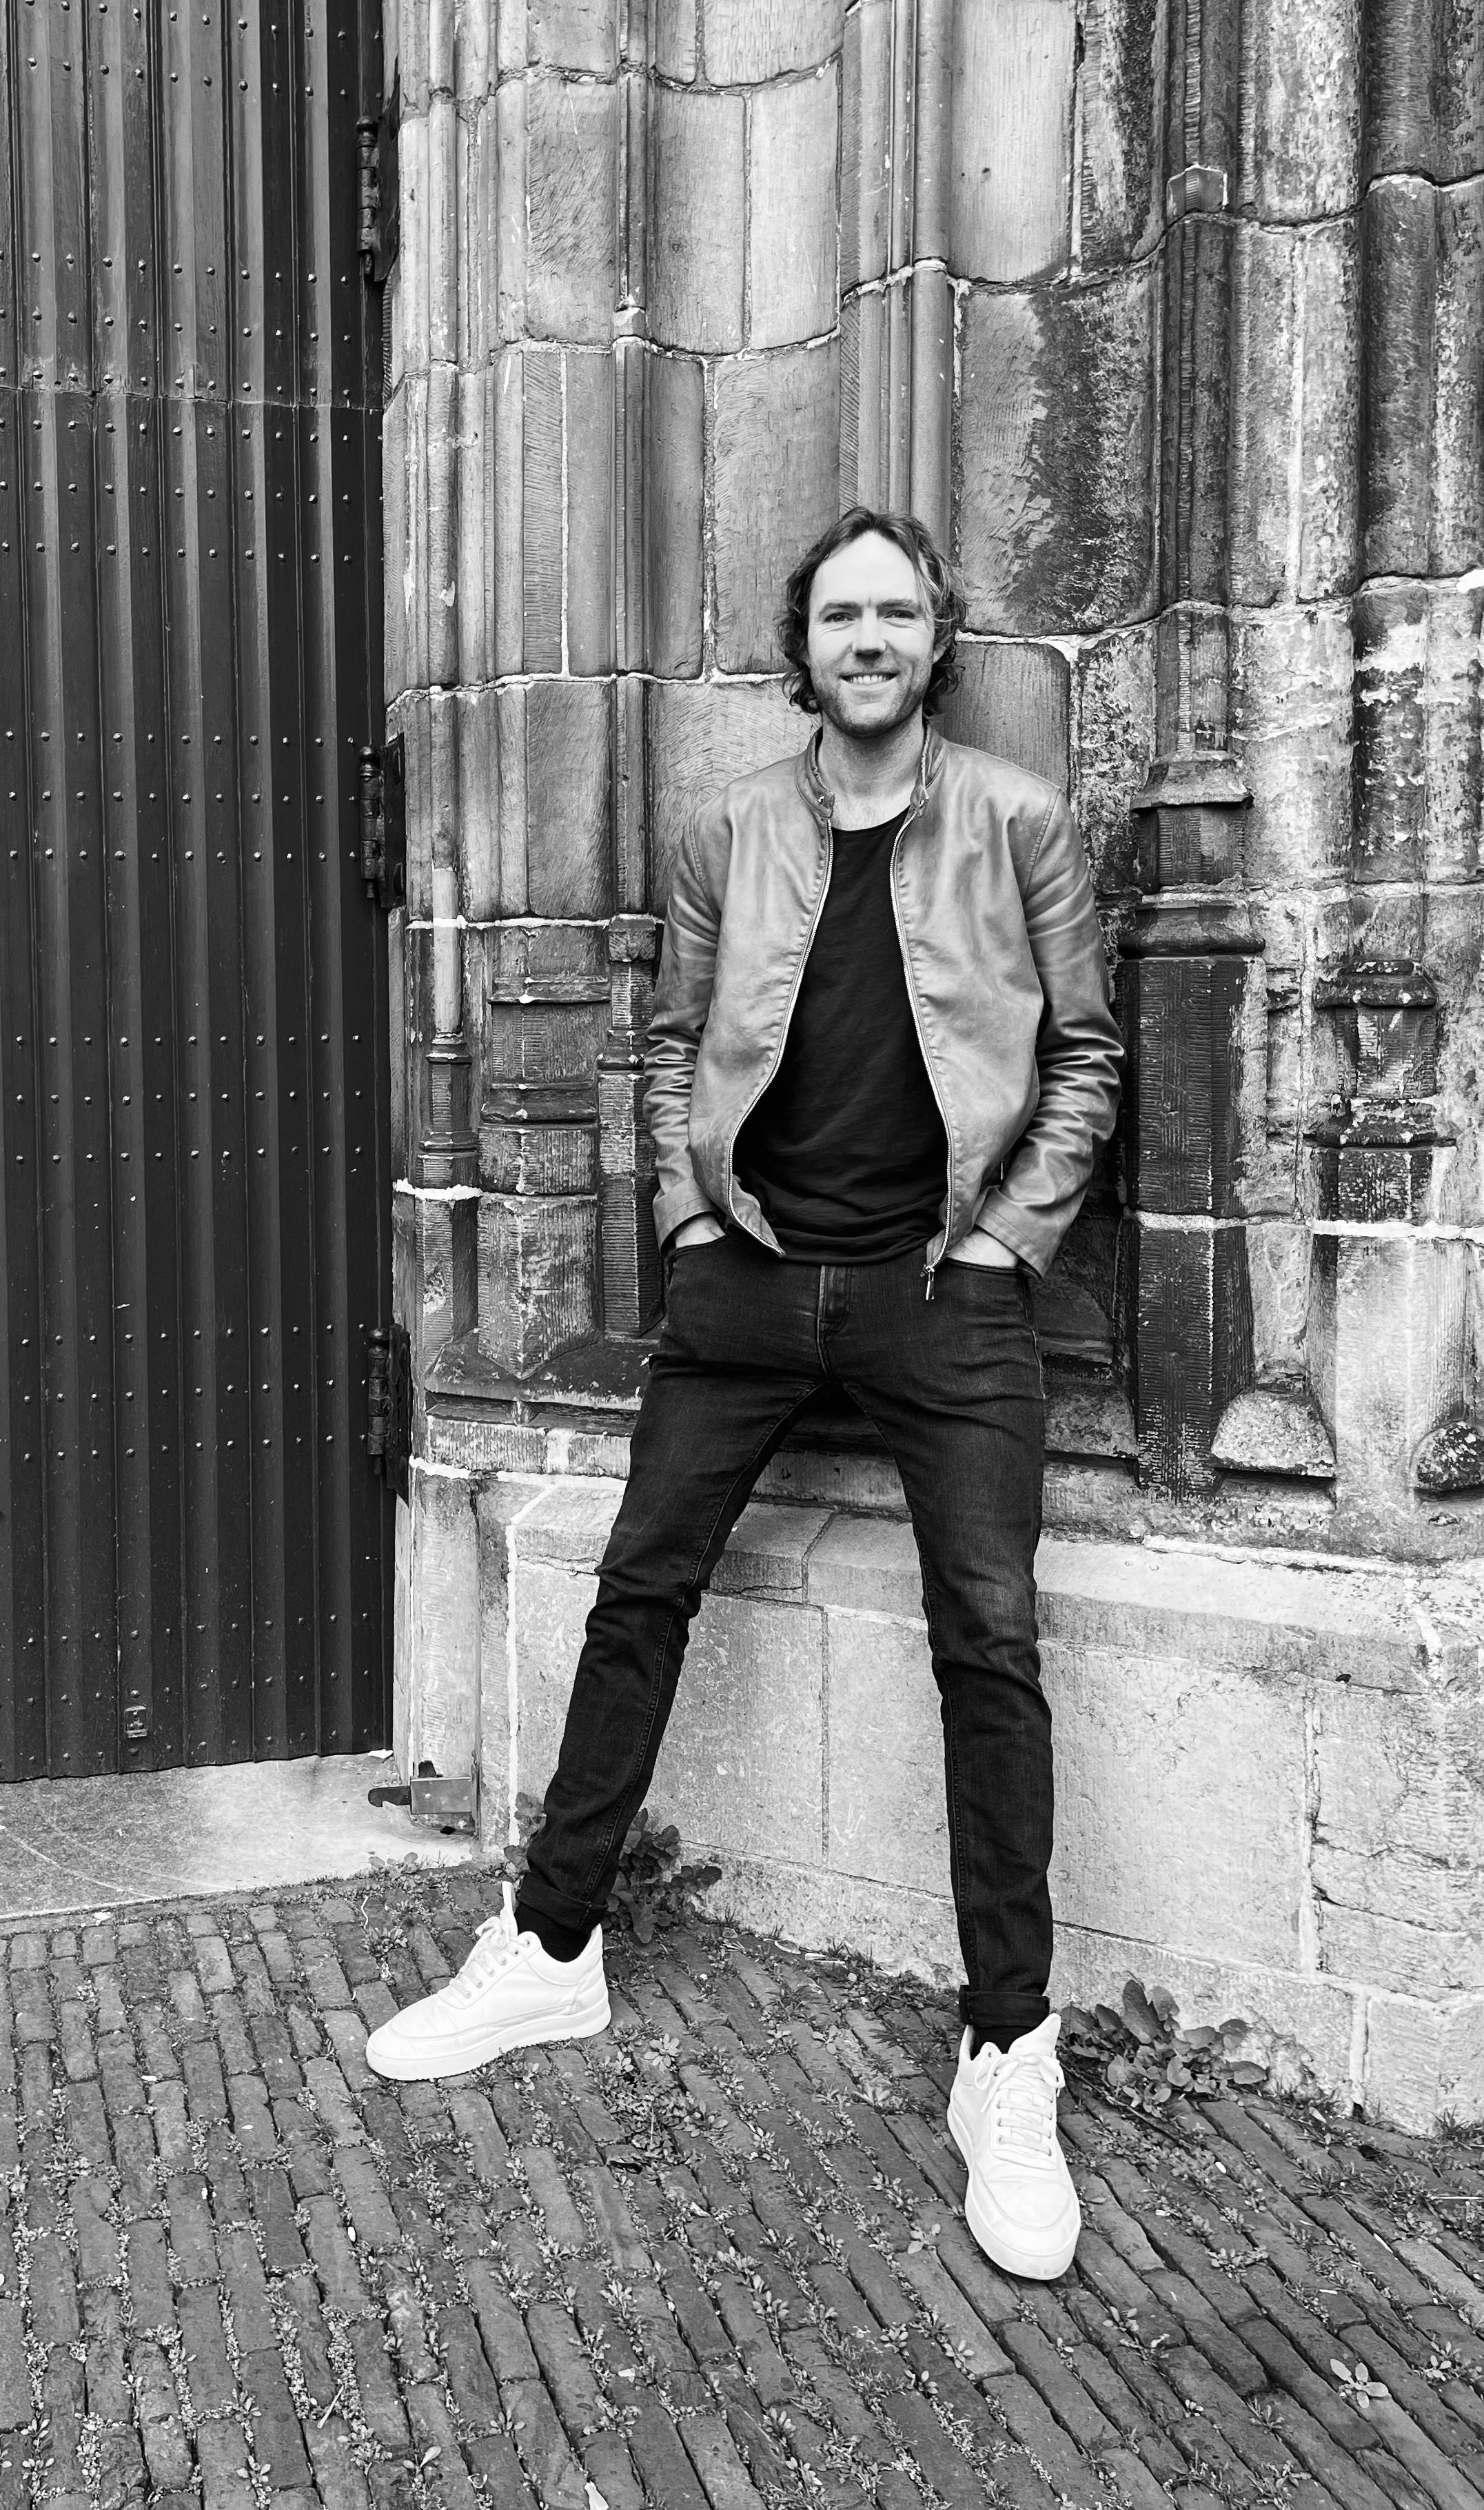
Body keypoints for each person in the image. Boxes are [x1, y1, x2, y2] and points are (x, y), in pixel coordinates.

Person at [366, 508, 1124, 2283]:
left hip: (947, 1296)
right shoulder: (731, 828)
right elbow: (675, 1043)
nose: (869, 638)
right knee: (639, 1591)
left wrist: (1003, 1244)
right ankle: (553, 1949)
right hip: (752, 1284)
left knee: (990, 1643)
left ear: (938, 640)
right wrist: (692, 1221)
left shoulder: (1018, 820)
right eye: (841, 613)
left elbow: (1084, 1053)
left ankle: (1006, 2050)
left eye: (898, 613)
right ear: (805, 643)